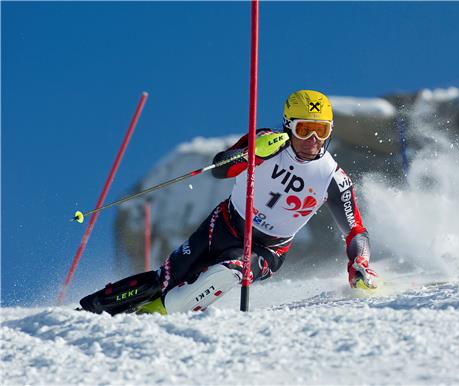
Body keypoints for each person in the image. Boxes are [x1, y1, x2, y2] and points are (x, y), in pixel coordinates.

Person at [80, 90, 379, 315]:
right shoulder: (267, 141)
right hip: (221, 225)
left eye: (322, 130)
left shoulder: (333, 178)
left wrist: (359, 262)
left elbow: (355, 231)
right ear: (288, 126)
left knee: (230, 270)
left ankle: (153, 316)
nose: (313, 139)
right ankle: (91, 310)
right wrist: (253, 154)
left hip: (266, 250)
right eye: (304, 130)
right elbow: (221, 169)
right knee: (165, 279)